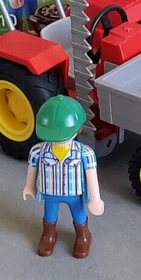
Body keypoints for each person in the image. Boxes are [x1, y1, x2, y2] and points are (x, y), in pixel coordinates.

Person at [22, 95, 104, 258]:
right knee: (49, 216)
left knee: (79, 216)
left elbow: (91, 175)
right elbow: (32, 168)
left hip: (75, 194)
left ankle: (83, 236)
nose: (58, 140)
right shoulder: (39, 151)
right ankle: (49, 235)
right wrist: (29, 187)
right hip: (50, 193)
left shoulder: (84, 153)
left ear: (78, 129)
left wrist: (95, 199)